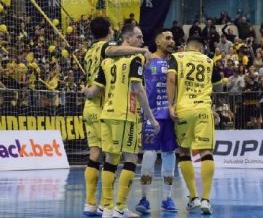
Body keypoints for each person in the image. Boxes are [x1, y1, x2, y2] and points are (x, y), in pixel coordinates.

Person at [82, 20, 154, 218]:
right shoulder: (110, 48)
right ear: (109, 31)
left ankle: (92, 204)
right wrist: (141, 51)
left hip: (91, 105)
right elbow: (114, 52)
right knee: (120, 156)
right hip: (107, 106)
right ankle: (113, 206)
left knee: (96, 154)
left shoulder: (89, 51)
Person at [167, 35, 220, 215]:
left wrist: (170, 105)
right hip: (204, 110)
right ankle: (206, 199)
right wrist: (212, 105)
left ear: (186, 46)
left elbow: (171, 79)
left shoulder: (177, 57)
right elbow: (218, 85)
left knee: (184, 151)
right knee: (206, 152)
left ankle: (193, 197)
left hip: (184, 109)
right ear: (201, 48)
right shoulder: (209, 61)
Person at [135, 30, 178, 214]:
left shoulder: (175, 61)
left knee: (169, 156)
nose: (171, 41)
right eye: (167, 38)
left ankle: (167, 199)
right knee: (149, 155)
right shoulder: (147, 58)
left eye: (172, 38)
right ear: (157, 41)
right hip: (151, 116)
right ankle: (144, 198)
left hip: (170, 116)